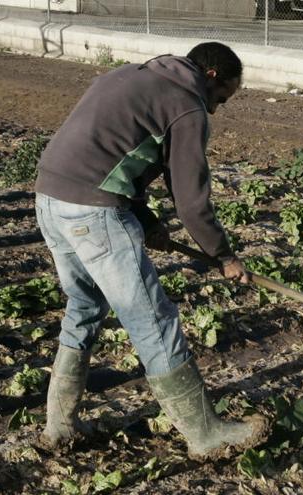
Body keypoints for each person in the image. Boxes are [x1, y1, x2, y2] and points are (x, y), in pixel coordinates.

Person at [33, 42, 266, 460]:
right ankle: (205, 434)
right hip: (94, 208)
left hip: (50, 197)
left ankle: (59, 427)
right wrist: (224, 256)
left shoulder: (132, 75)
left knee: (84, 307)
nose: (214, 110)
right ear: (210, 77)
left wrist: (146, 219)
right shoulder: (187, 105)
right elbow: (192, 202)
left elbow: (116, 151)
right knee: (153, 321)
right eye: (220, 99)